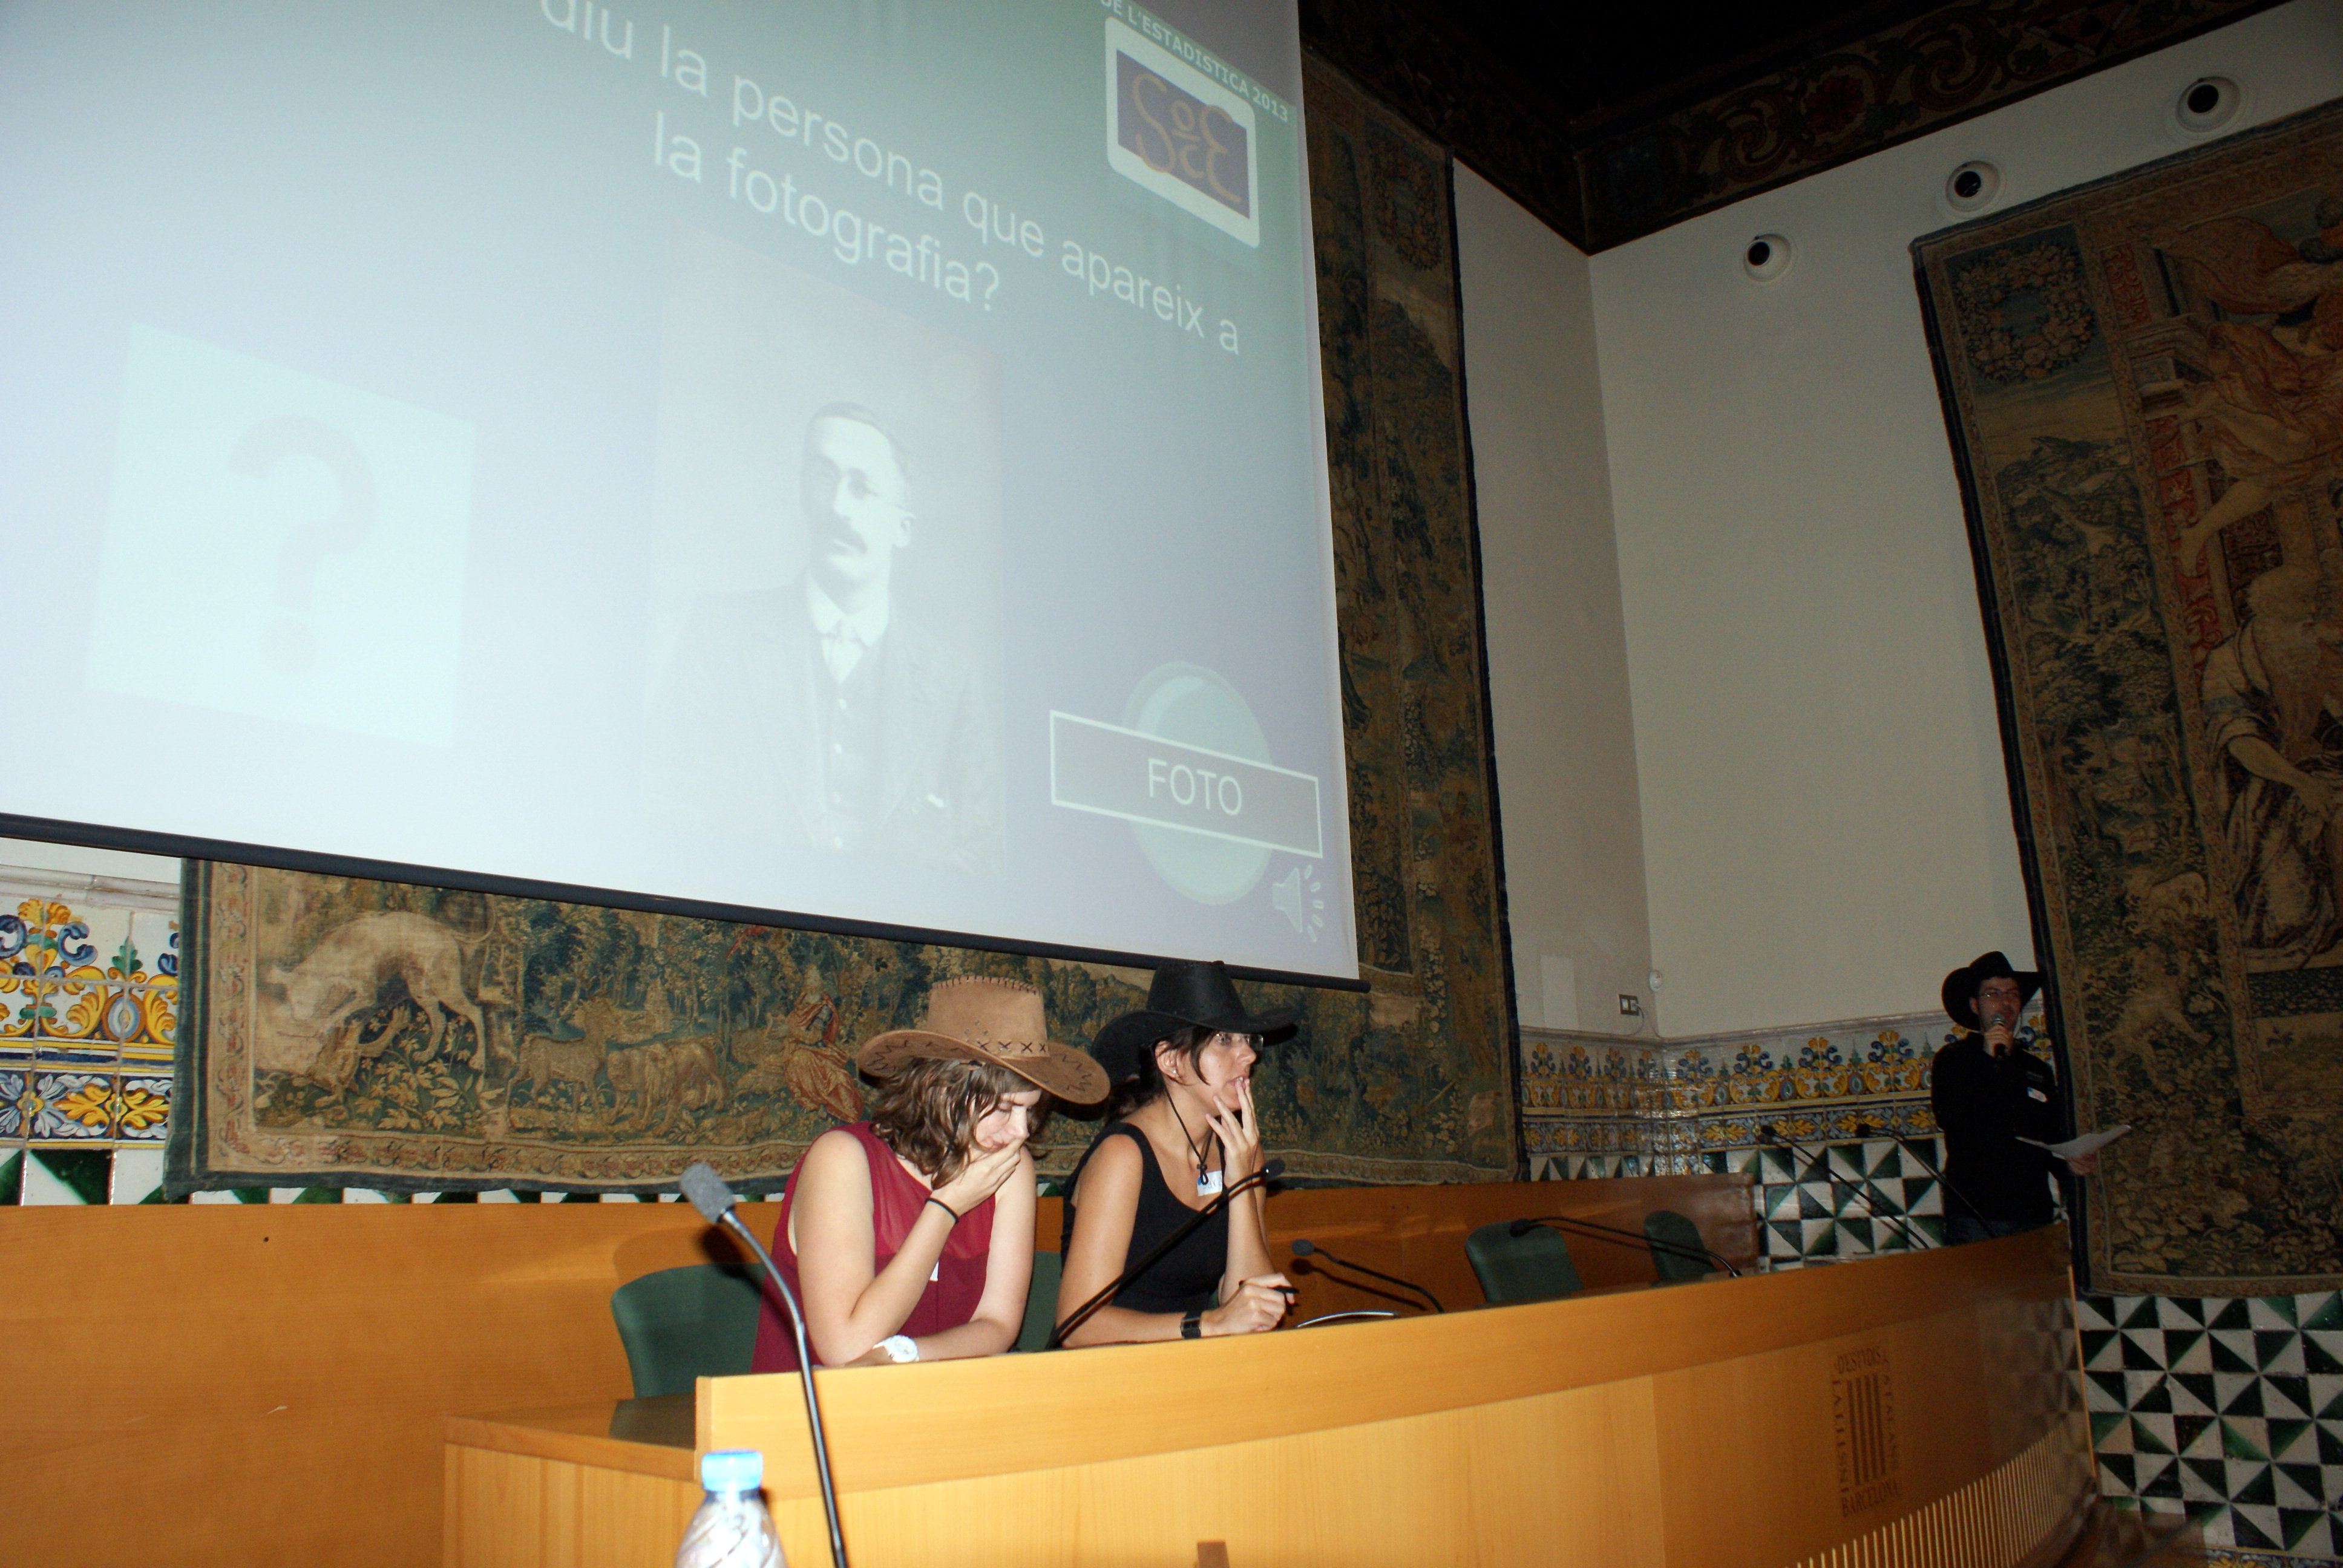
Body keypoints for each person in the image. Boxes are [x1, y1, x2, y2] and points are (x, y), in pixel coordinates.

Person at [658, 403, 1003, 874]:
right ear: (803, 491)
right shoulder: (719, 634)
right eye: (824, 477)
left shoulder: (951, 680)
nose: (839, 507)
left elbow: (984, 847)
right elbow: (672, 802)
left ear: (903, 528)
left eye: (862, 488)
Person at [749, 976, 1104, 1370]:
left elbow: (998, 1325)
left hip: (937, 1400)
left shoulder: (1012, 1168)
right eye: (1005, 1109)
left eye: (1030, 1110)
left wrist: (906, 1354)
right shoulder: (843, 1159)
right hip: (811, 1404)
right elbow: (846, 1348)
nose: (1021, 1131)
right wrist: (946, 1207)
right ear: (940, 1089)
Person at [1055, 960, 1296, 1345]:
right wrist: (1207, 1325)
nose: (1249, 1056)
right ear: (1171, 1061)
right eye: (1224, 1040)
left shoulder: (1242, 1151)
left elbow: (1251, 1308)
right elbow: (1077, 1327)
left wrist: (1242, 1181)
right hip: (1110, 1367)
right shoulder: (1123, 1156)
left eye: (1248, 1040)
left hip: (1197, 1363)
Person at [1929, 952, 2099, 1246]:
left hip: (2034, 1213)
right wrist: (1988, 1061)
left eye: (2012, 994)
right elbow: (1953, 1119)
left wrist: (2070, 1164)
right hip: (1978, 1215)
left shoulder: (2036, 1070)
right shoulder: (1954, 1060)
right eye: (1992, 994)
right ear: (1975, 1005)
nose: (2004, 1003)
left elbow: (2048, 1135)